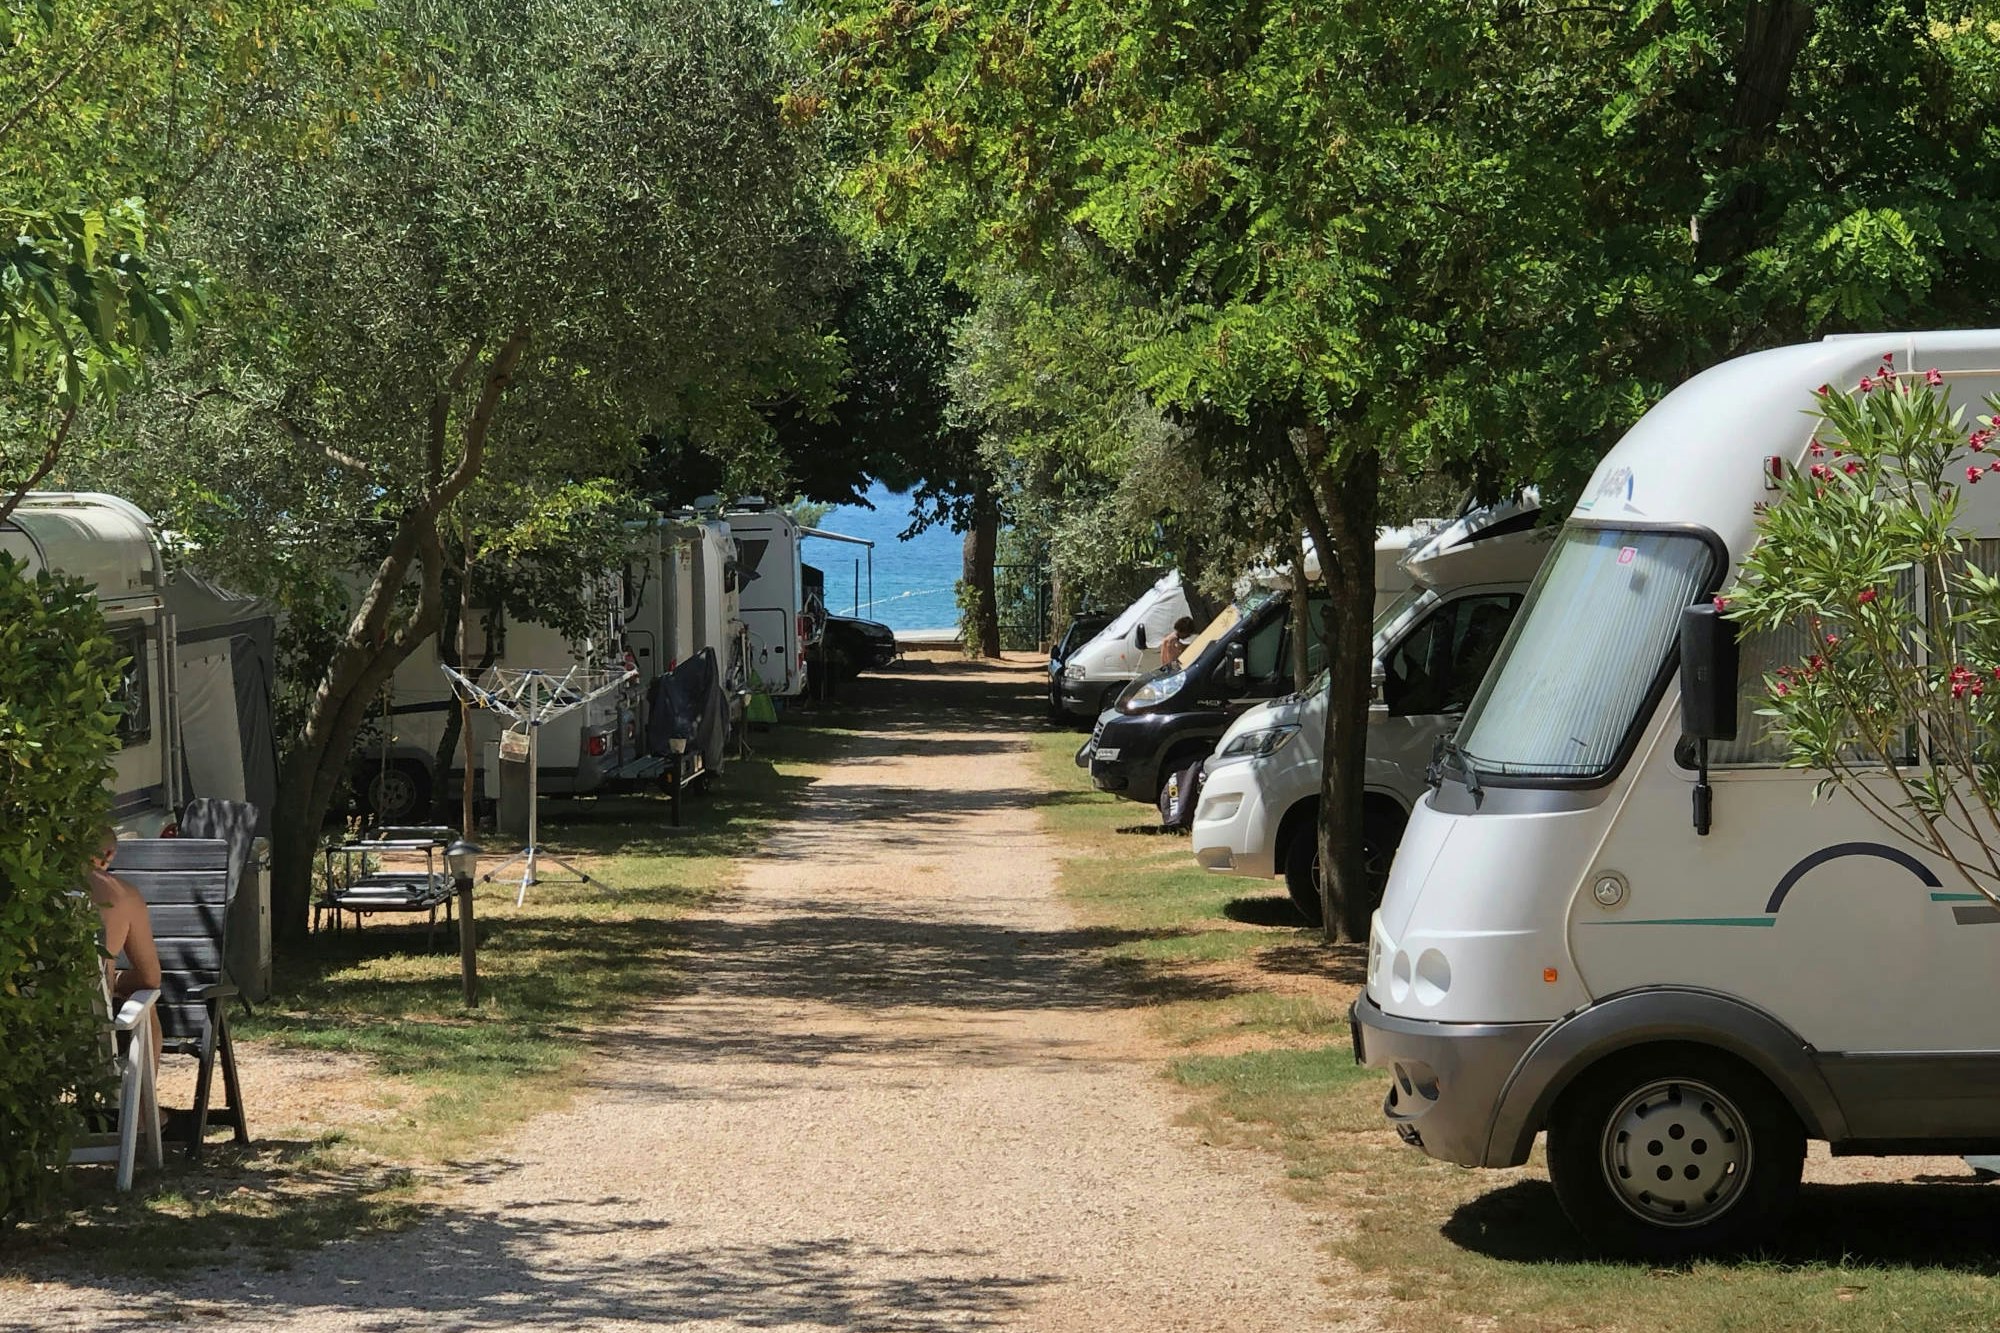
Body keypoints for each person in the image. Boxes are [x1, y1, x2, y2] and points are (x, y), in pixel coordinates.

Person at [86, 830, 163, 1069]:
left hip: (26, 1026)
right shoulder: (122, 895)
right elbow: (150, 979)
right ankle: (141, 1106)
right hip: (90, 1025)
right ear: (108, 854)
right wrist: (114, 979)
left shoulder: (23, 891)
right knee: (145, 1003)